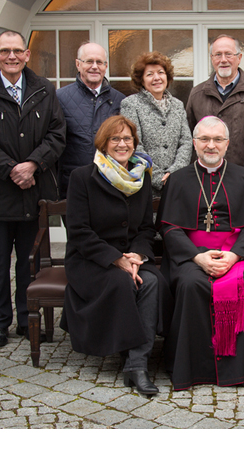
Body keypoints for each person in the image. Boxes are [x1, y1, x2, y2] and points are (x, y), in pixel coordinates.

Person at [0, 30, 66, 348]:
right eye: (4, 51)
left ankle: (25, 317)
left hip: (36, 190)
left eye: (17, 51)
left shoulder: (45, 89)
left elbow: (57, 133)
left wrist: (32, 164)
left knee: (29, 261)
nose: (11, 56)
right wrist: (11, 169)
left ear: (27, 54)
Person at [156, 116, 244, 390]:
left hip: (238, 253)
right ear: (195, 144)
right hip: (191, 254)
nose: (211, 145)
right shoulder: (178, 179)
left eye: (217, 140)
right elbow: (169, 228)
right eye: (205, 140)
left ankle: (239, 364)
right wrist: (197, 257)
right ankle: (194, 367)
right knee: (190, 283)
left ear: (227, 144)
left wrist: (234, 256)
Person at [60, 116, 163, 396]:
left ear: (134, 144)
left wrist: (138, 256)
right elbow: (79, 231)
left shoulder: (141, 177)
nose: (122, 144)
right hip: (91, 259)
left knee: (152, 282)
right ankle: (133, 361)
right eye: (115, 138)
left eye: (127, 138)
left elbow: (145, 228)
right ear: (104, 143)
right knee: (122, 283)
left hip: (131, 257)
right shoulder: (83, 177)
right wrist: (116, 259)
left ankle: (136, 365)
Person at [185, 35, 244, 166]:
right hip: (206, 176)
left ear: (239, 58)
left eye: (228, 54)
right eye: (218, 55)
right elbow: (188, 139)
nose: (223, 60)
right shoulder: (197, 94)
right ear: (212, 59)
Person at [56, 42, 125, 198]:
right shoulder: (59, 98)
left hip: (111, 183)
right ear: (78, 64)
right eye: (89, 61)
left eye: (99, 62)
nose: (95, 66)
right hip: (72, 184)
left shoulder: (119, 100)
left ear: (105, 66)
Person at [120, 52, 192, 197]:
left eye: (161, 72)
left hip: (176, 186)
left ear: (167, 76)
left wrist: (174, 174)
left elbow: (186, 142)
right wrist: (159, 178)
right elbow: (133, 144)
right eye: (150, 74)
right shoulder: (131, 104)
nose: (157, 78)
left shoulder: (178, 105)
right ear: (141, 80)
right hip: (145, 184)